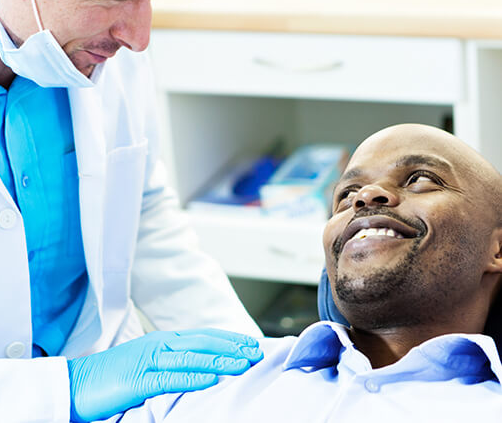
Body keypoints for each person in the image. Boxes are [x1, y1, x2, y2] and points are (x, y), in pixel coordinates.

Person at [0, 0, 263, 422]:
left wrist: (251, 362)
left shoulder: (98, 48)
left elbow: (139, 206)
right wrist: (63, 390)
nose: (138, 37)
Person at [111, 123, 502, 422]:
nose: (365, 197)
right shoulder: (205, 380)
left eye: (420, 179)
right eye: (346, 196)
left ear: (497, 248)